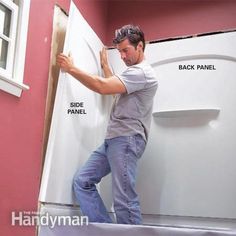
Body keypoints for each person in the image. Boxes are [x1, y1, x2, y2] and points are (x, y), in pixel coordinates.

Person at [57, 24, 158, 225]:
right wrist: (105, 66)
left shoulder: (142, 72)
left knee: (124, 200)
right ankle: (106, 230)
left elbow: (104, 87)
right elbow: (114, 88)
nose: (122, 56)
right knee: (83, 182)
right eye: (119, 51)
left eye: (125, 50)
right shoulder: (133, 74)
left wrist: (71, 68)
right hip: (114, 140)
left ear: (140, 47)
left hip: (126, 139)